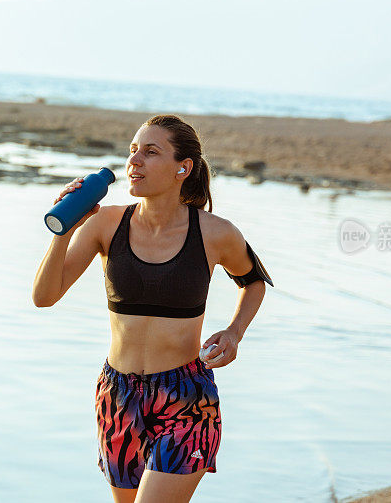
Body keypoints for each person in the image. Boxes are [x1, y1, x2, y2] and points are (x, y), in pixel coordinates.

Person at [32, 114, 273, 503]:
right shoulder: (105, 224)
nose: (134, 161)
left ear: (184, 168)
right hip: (118, 395)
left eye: (150, 152)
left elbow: (254, 281)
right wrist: (66, 227)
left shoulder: (215, 233)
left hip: (185, 398)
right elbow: (44, 296)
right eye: (132, 151)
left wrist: (234, 332)